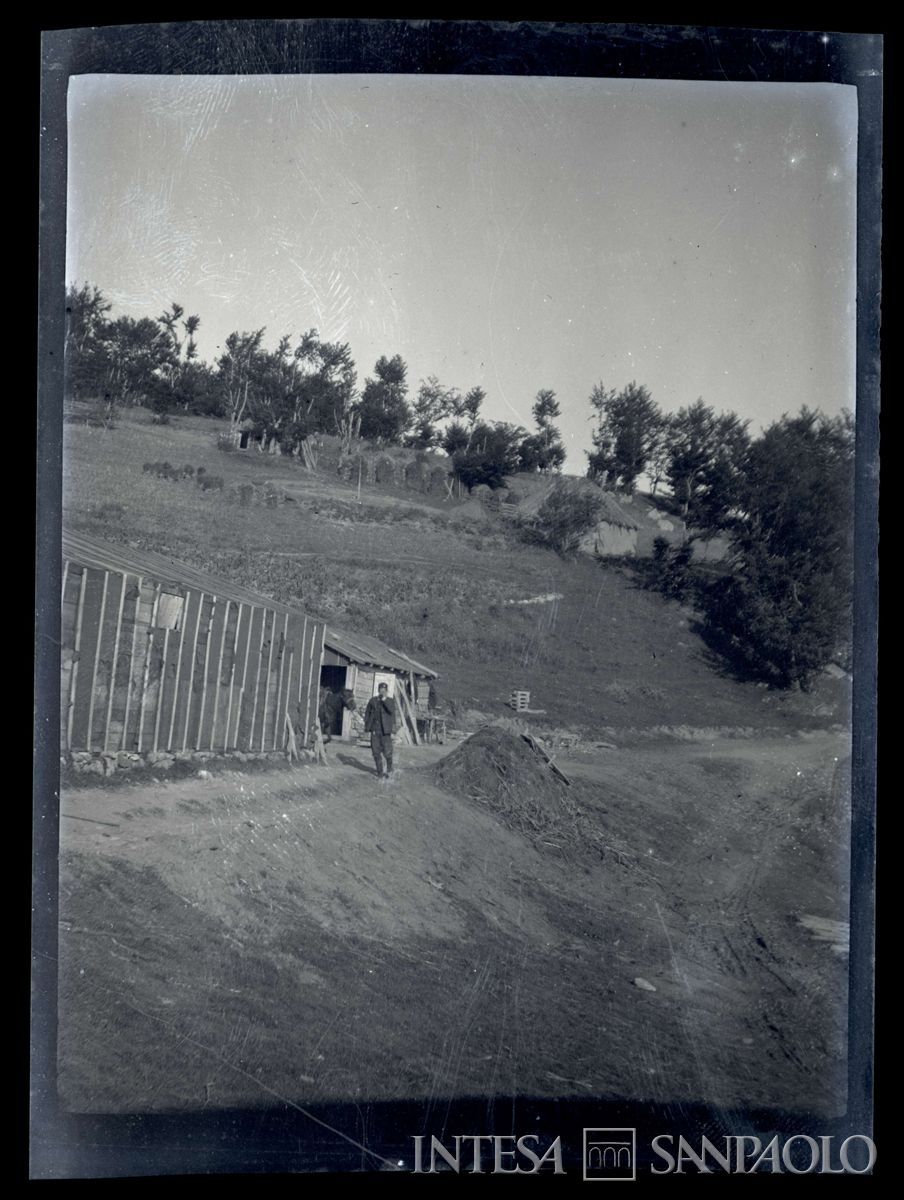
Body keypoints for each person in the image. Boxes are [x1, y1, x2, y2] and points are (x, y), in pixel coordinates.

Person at [363, 682, 398, 777]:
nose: (382, 692)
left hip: (385, 732)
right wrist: (367, 726)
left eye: (384, 690)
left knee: (387, 753)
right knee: (375, 752)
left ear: (387, 691)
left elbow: (391, 711)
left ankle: (390, 769)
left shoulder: (390, 701)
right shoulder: (373, 700)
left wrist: (384, 700)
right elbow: (367, 714)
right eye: (381, 690)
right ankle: (380, 773)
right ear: (378, 690)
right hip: (375, 731)